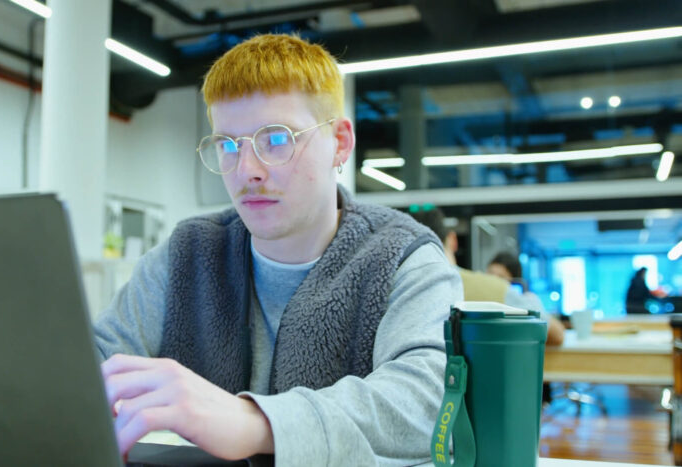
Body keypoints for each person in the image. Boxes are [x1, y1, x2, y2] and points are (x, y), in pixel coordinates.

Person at [93, 34, 462, 465]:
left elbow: (429, 400)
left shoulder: (404, 257)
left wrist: (256, 423)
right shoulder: (187, 255)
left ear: (340, 143)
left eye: (276, 139)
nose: (246, 170)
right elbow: (94, 366)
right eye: (227, 145)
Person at [410, 208, 564, 346]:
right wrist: (533, 301)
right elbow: (556, 335)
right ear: (453, 240)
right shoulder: (494, 288)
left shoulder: (400, 294)